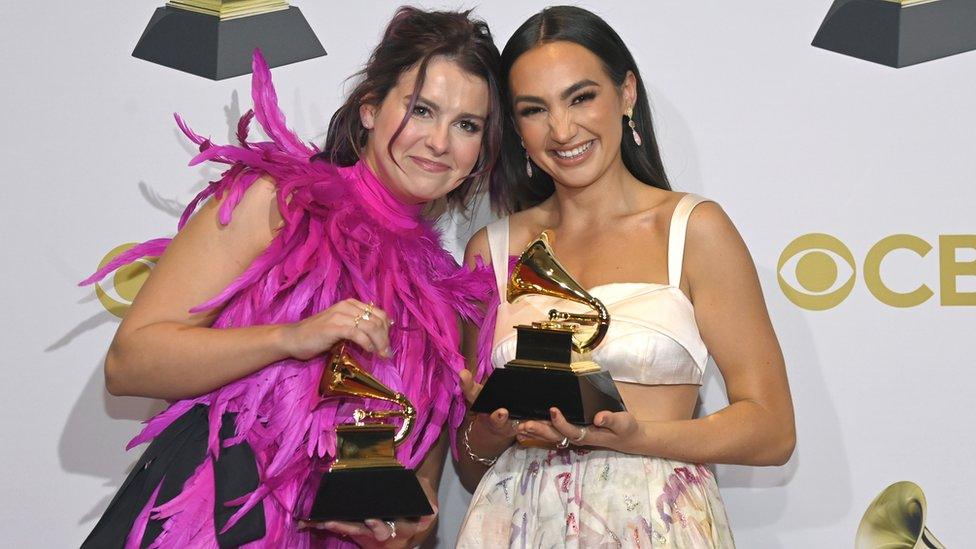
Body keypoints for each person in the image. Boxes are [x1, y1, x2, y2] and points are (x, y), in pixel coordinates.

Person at [80, 7, 502, 548]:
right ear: (370, 109)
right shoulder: (276, 203)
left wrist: (402, 533)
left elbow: (418, 490)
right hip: (211, 523)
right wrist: (292, 338)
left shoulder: (443, 299)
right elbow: (130, 363)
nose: (440, 142)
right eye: (422, 110)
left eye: (466, 125)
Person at [455, 6, 796, 547]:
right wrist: (491, 433)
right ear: (515, 127)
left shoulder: (694, 230)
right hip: (516, 522)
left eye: (581, 97)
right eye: (534, 109)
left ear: (627, 93)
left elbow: (772, 430)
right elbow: (471, 467)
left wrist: (639, 438)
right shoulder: (490, 250)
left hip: (657, 521)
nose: (563, 129)